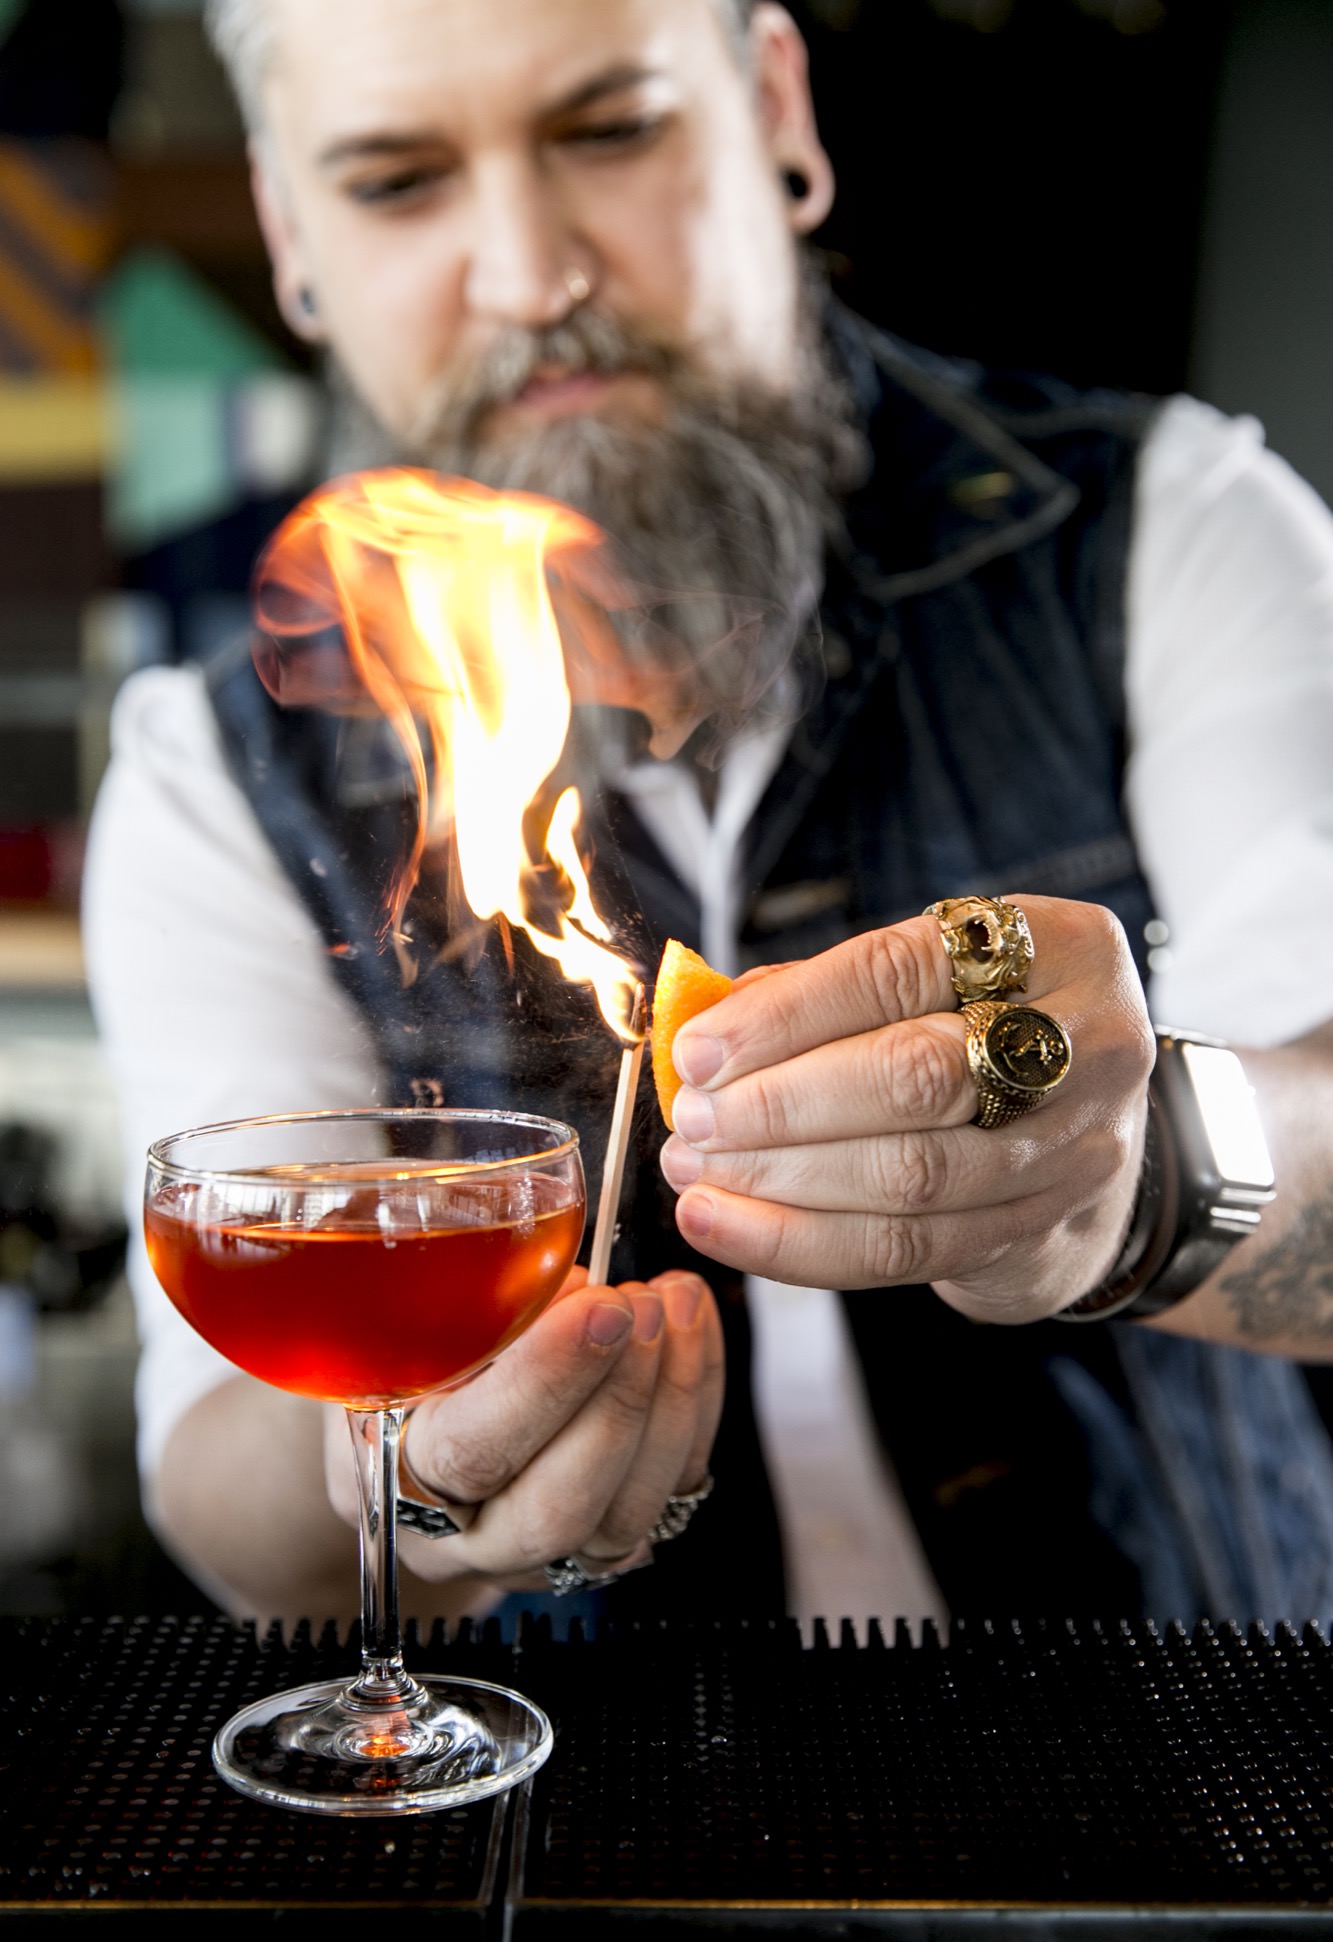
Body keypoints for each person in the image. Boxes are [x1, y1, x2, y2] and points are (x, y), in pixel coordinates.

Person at [84, 0, 1333, 1635]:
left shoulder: (1167, 525)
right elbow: (224, 1498)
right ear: (288, 234)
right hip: (591, 1845)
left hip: (1175, 1787)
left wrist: (1129, 1184)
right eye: (396, 181)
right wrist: (401, 1470)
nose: (531, 277)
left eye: (609, 131)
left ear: (775, 109)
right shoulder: (206, 771)